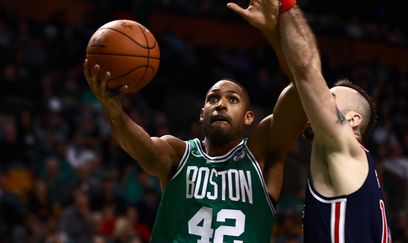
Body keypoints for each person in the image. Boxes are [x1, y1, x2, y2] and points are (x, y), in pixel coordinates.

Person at [83, 1, 307, 242]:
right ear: (202, 113)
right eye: (213, 98)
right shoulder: (179, 154)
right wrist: (114, 111)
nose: (221, 104)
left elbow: (303, 86)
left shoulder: (262, 154)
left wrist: (274, 31)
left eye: (232, 99)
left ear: (248, 117)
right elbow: (144, 149)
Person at [277, 2, 393, 242]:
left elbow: (305, 69)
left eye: (329, 98)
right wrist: (272, 30)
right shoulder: (361, 171)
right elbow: (300, 80)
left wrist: (285, 5)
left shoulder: (342, 148)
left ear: (352, 120)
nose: (317, 103)